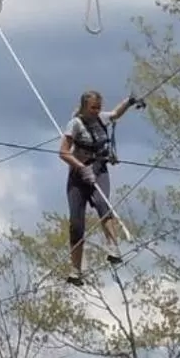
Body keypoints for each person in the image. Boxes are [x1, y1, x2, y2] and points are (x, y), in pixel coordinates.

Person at [60, 89, 144, 287]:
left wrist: (129, 101)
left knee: (102, 203)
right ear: (84, 107)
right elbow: (63, 152)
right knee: (76, 224)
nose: (96, 111)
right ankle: (76, 270)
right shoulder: (75, 124)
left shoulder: (101, 118)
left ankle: (113, 248)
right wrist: (81, 167)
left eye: (98, 107)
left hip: (99, 170)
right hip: (79, 175)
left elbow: (115, 114)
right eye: (92, 108)